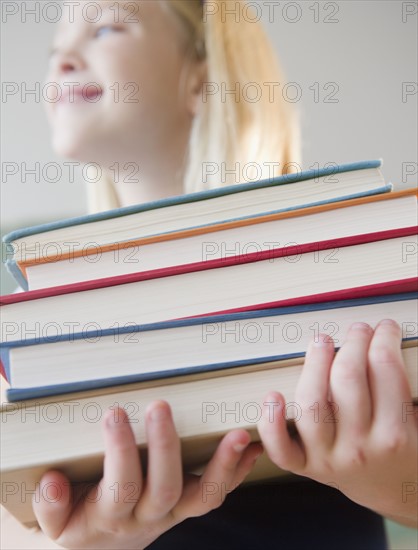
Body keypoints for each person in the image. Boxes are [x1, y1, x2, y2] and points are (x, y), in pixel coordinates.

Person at [1, 1, 416, 549]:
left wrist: (398, 489)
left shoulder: (350, 271)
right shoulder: (29, 333)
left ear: (202, 78)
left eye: (105, 28)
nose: (62, 62)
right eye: (54, 51)